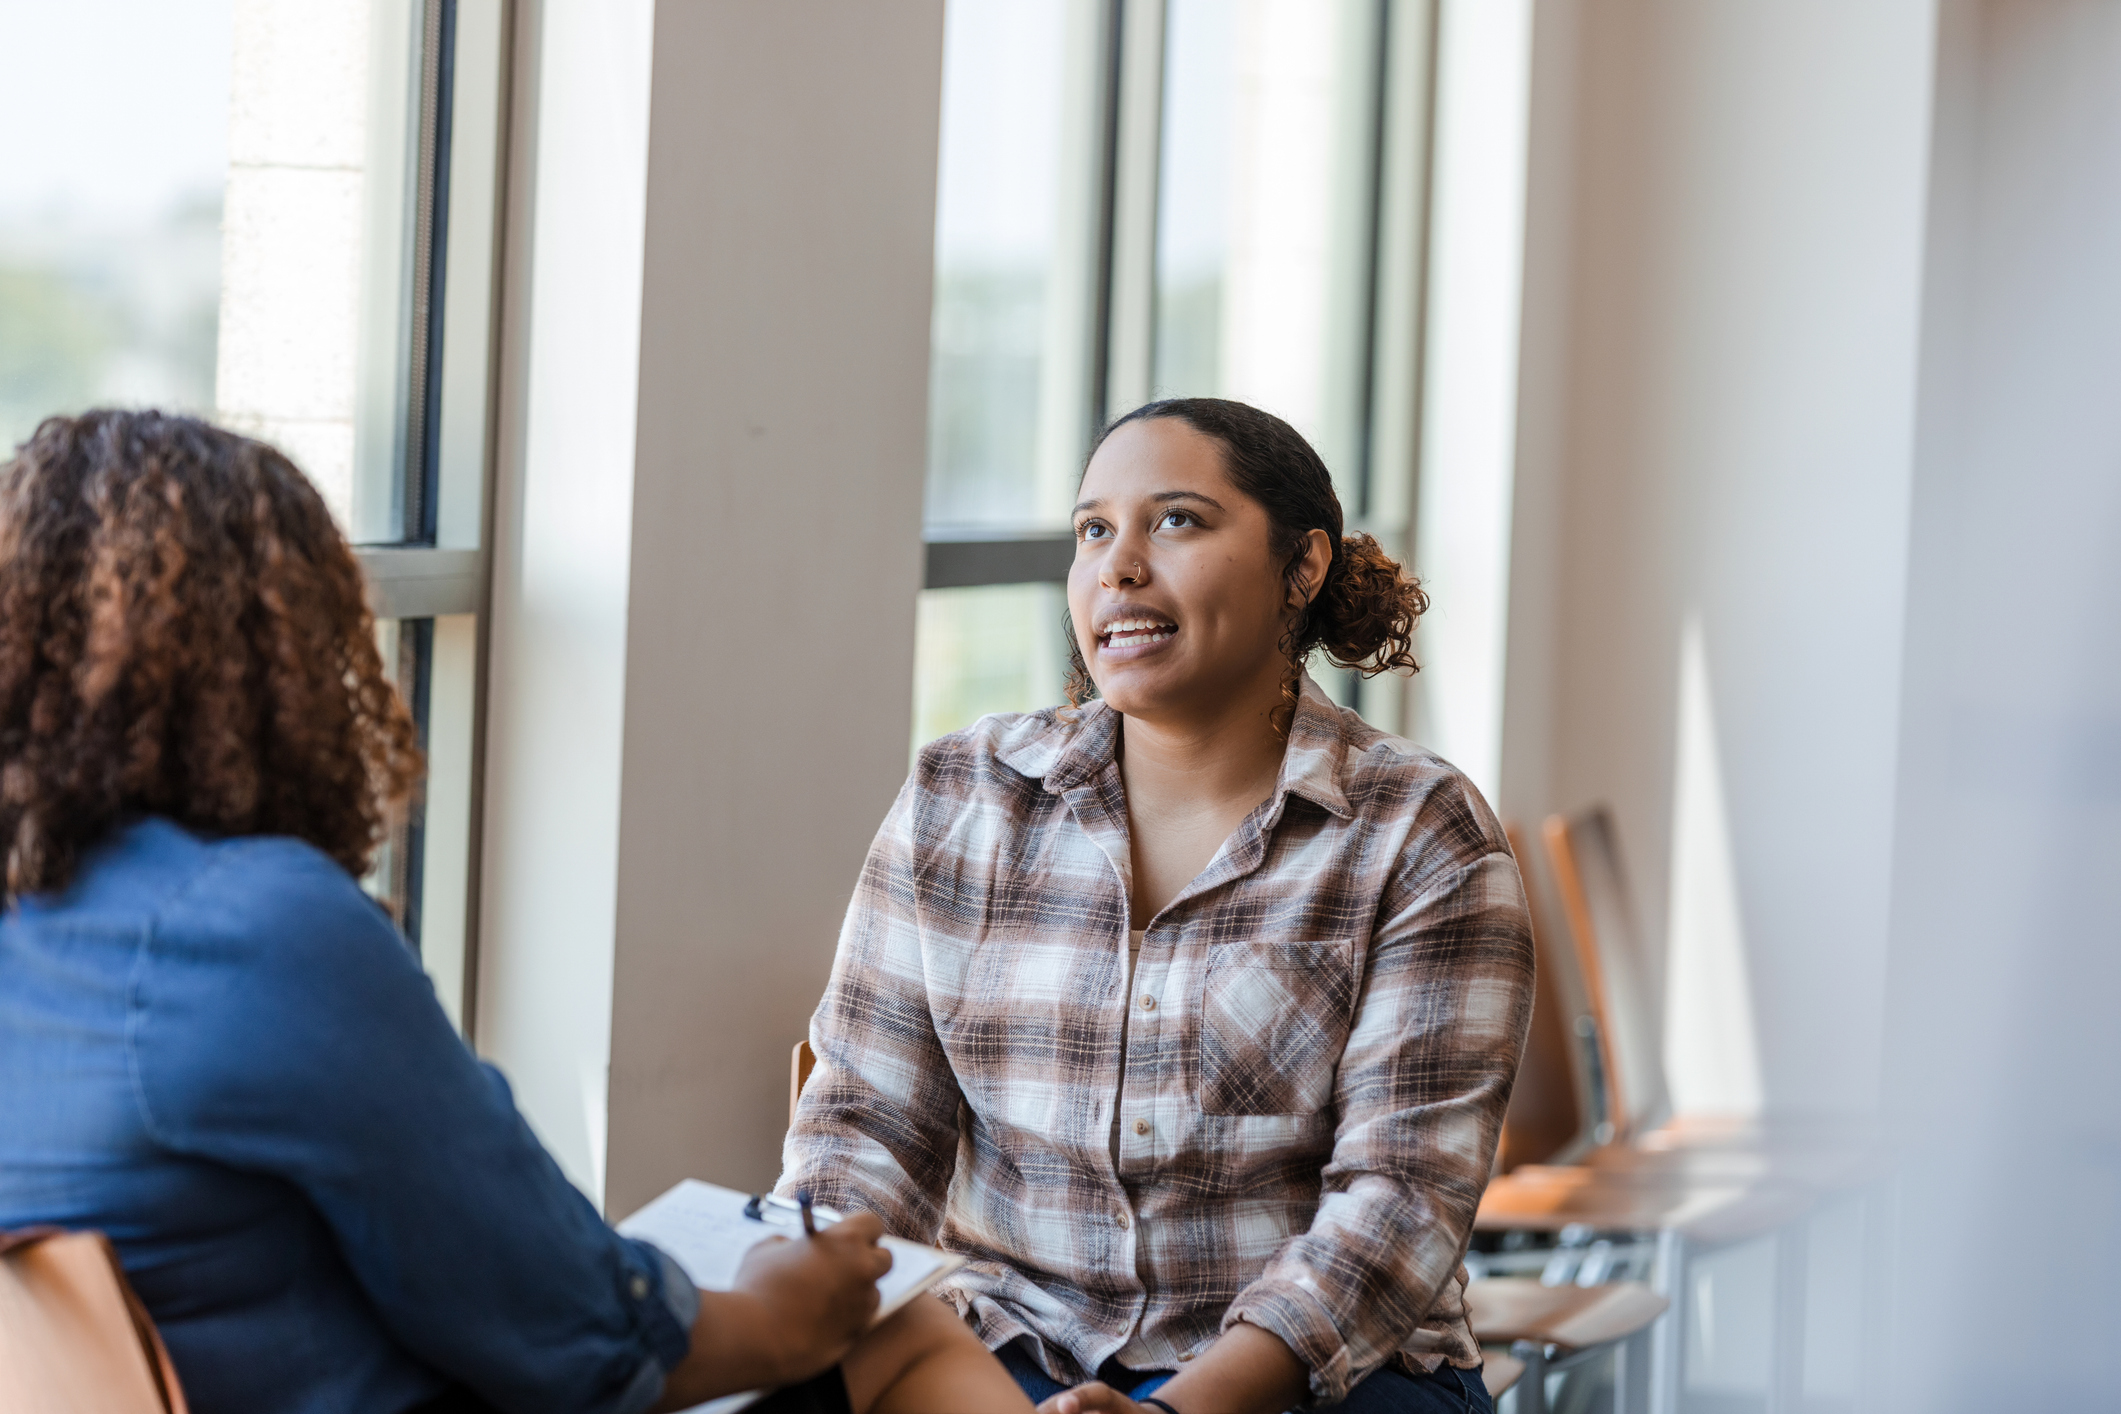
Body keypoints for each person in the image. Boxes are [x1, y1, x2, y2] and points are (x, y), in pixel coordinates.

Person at [0, 410, 1033, 1414]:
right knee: (904, 1330)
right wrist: (782, 1305)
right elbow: (577, 1333)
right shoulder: (251, 933)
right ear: (279, 658)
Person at [780, 398, 1535, 1414]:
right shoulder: (963, 795)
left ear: (1302, 567)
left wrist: (1180, 1409)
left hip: (1312, 1374)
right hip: (997, 1346)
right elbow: (859, 1132)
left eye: (1175, 520)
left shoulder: (1419, 833)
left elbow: (1399, 1204)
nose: (1118, 566)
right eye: (1095, 529)